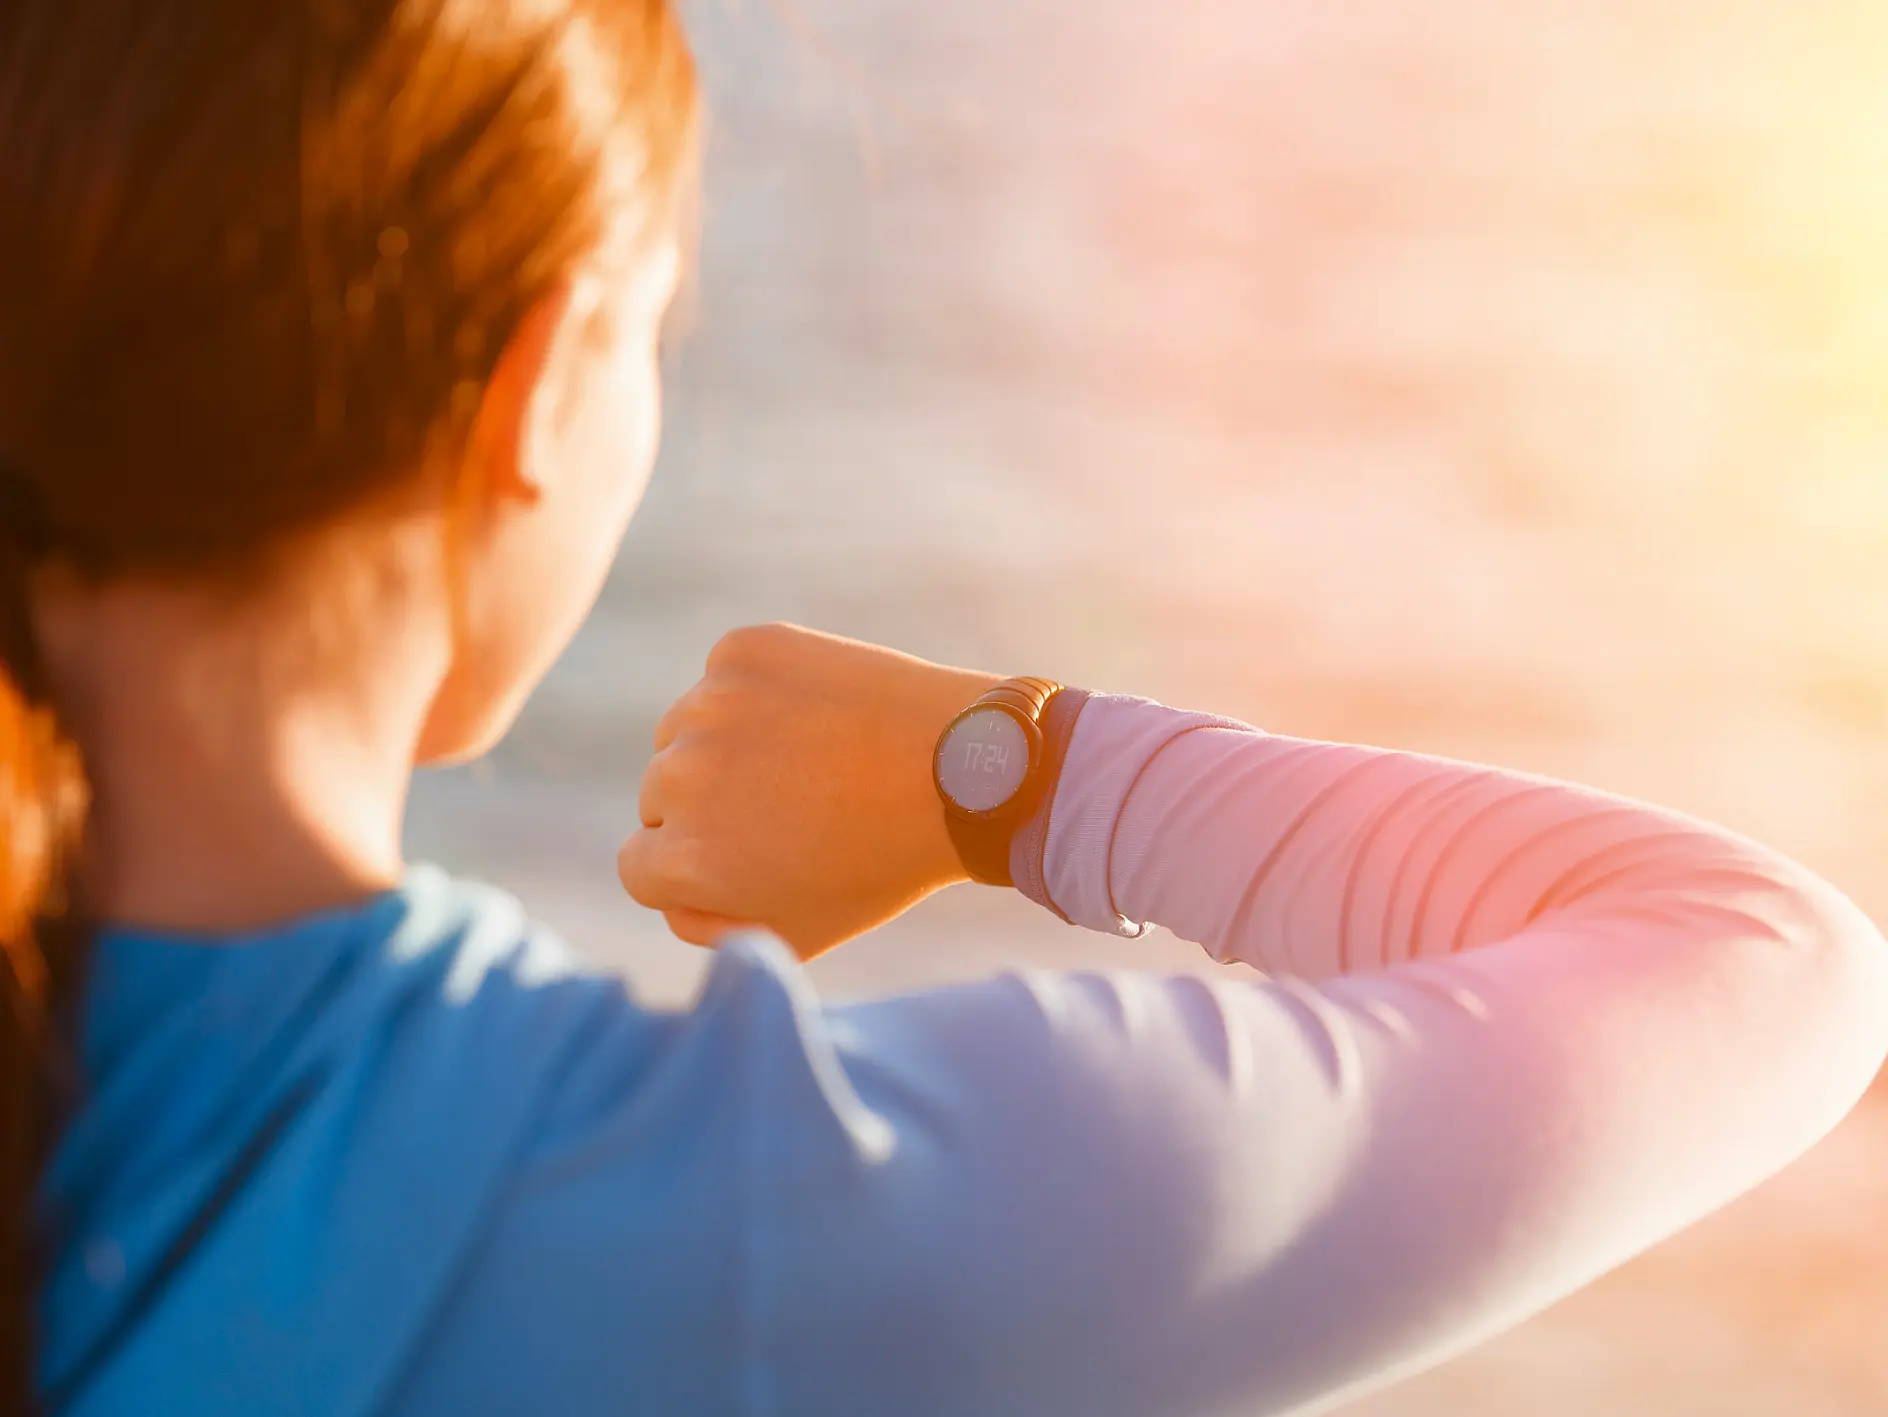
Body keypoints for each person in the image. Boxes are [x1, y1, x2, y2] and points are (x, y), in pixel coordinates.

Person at [0, 3, 1883, 1415]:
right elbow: (1764, 960)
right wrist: (1009, 777)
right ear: (545, 384)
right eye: (653, 340)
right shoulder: (722, 1227)